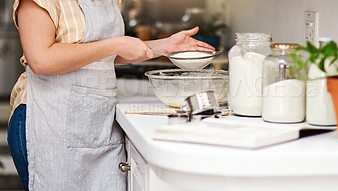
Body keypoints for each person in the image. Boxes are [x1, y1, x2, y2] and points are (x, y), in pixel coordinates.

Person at [7, 0, 215, 190]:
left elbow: (103, 55)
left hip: (98, 123)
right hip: (47, 123)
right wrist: (114, 44)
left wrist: (165, 46)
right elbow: (41, 60)